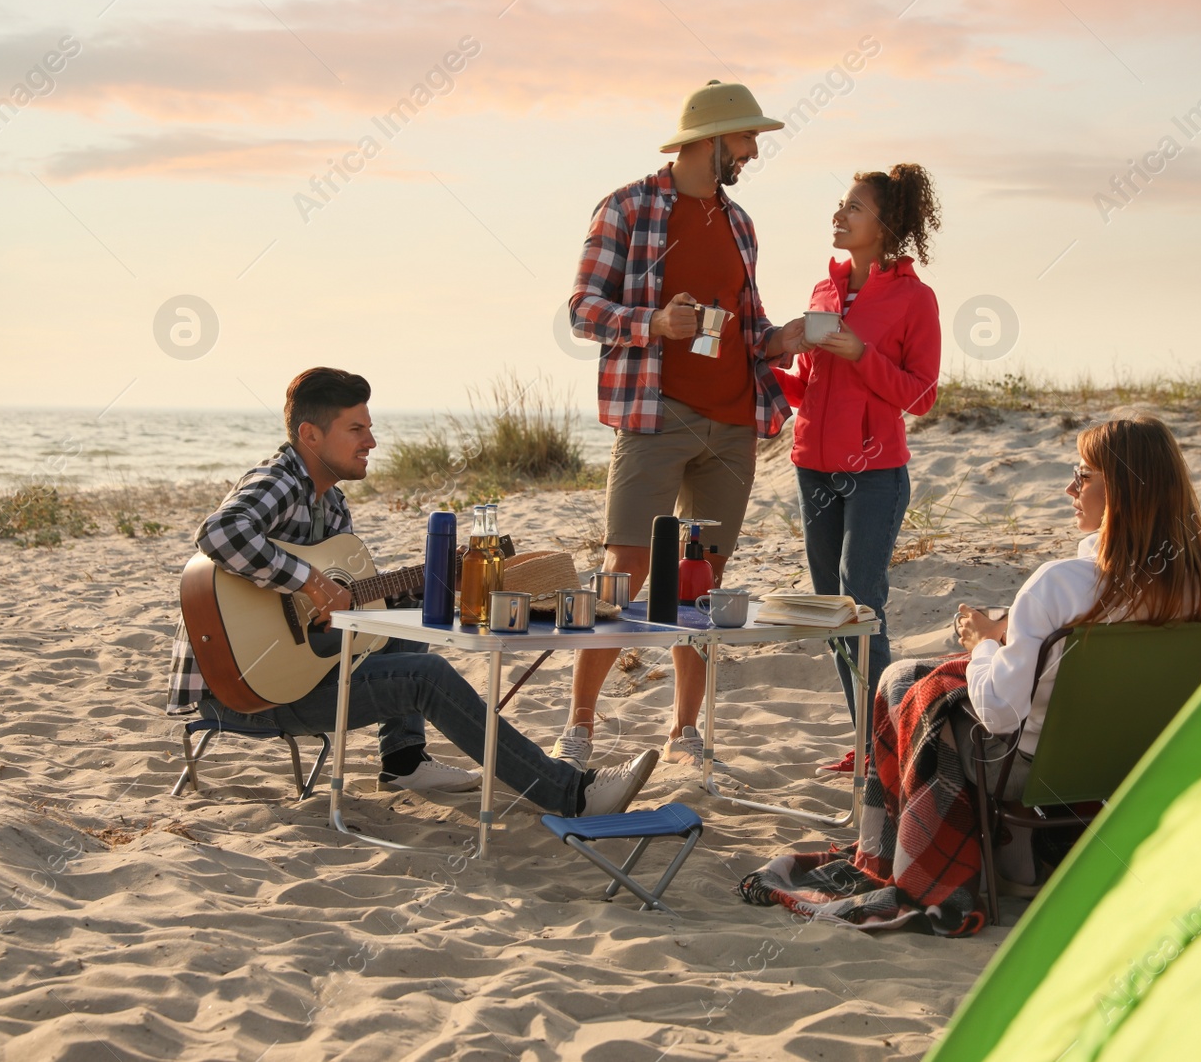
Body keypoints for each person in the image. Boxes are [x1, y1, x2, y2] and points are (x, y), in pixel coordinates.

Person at [740, 414, 1201, 935]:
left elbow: (1001, 715)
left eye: (1084, 475)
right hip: (1133, 763)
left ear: (1122, 490)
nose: (1070, 487)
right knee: (915, 673)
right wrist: (1014, 635)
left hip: (1029, 768)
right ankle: (1016, 853)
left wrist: (983, 645)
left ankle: (892, 858)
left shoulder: (1060, 585)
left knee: (906, 684)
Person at [164, 368, 657, 818]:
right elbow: (220, 532)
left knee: (407, 611)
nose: (371, 441)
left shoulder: (331, 505)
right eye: (356, 429)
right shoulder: (279, 481)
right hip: (241, 691)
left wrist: (442, 580)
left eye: (369, 428)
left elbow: (350, 606)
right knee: (427, 676)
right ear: (309, 435)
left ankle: (402, 759)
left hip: (295, 676)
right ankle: (571, 793)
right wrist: (312, 582)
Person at [558, 80, 806, 770]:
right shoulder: (629, 208)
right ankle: (580, 726)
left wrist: (783, 336)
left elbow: (748, 324)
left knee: (698, 580)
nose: (754, 151)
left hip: (733, 421)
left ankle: (685, 734)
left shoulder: (740, 223)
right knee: (626, 568)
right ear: (711, 138)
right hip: (654, 413)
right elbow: (582, 310)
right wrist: (654, 323)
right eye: (747, 138)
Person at [772, 164, 943, 772]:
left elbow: (920, 394)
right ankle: (870, 743)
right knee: (831, 608)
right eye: (839, 205)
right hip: (812, 469)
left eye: (853, 208)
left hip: (874, 475)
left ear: (886, 224)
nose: (839, 216)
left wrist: (861, 354)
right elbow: (808, 388)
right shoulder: (824, 293)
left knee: (861, 603)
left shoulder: (914, 299)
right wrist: (776, 358)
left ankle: (889, 746)